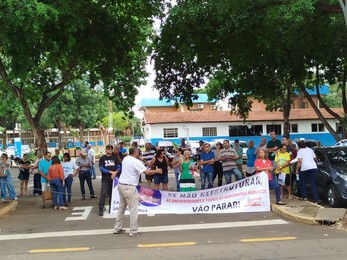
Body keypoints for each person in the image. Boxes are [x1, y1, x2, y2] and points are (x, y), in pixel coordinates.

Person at [113, 147, 162, 237]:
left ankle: (117, 228)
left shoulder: (126, 158)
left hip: (121, 185)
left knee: (122, 207)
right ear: (135, 152)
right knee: (133, 209)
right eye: (138, 152)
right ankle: (133, 230)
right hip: (129, 187)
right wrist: (157, 171)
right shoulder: (136, 162)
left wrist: (140, 159)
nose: (139, 154)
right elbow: (146, 172)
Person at [98, 144, 121, 216]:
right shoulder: (102, 158)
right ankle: (101, 207)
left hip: (114, 179)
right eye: (108, 149)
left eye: (111, 149)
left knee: (113, 194)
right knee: (103, 193)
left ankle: (111, 207)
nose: (110, 150)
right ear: (106, 150)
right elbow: (101, 168)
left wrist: (116, 172)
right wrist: (110, 172)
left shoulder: (115, 158)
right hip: (105, 178)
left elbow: (118, 166)